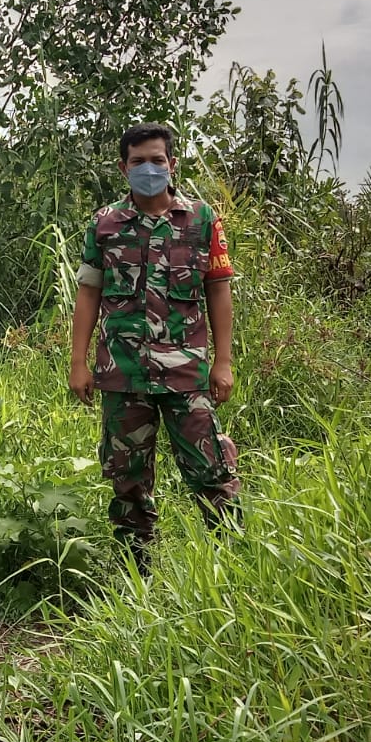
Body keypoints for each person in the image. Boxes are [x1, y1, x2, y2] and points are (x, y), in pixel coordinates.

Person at [68, 122, 240, 573]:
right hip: (122, 372)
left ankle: (231, 568)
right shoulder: (105, 223)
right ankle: (136, 573)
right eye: (138, 161)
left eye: (157, 160)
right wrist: (78, 362)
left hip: (186, 372)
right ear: (123, 168)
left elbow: (218, 290)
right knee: (126, 479)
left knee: (211, 471)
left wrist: (223, 362)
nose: (148, 168)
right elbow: (88, 292)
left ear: (172, 164)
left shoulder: (201, 219)